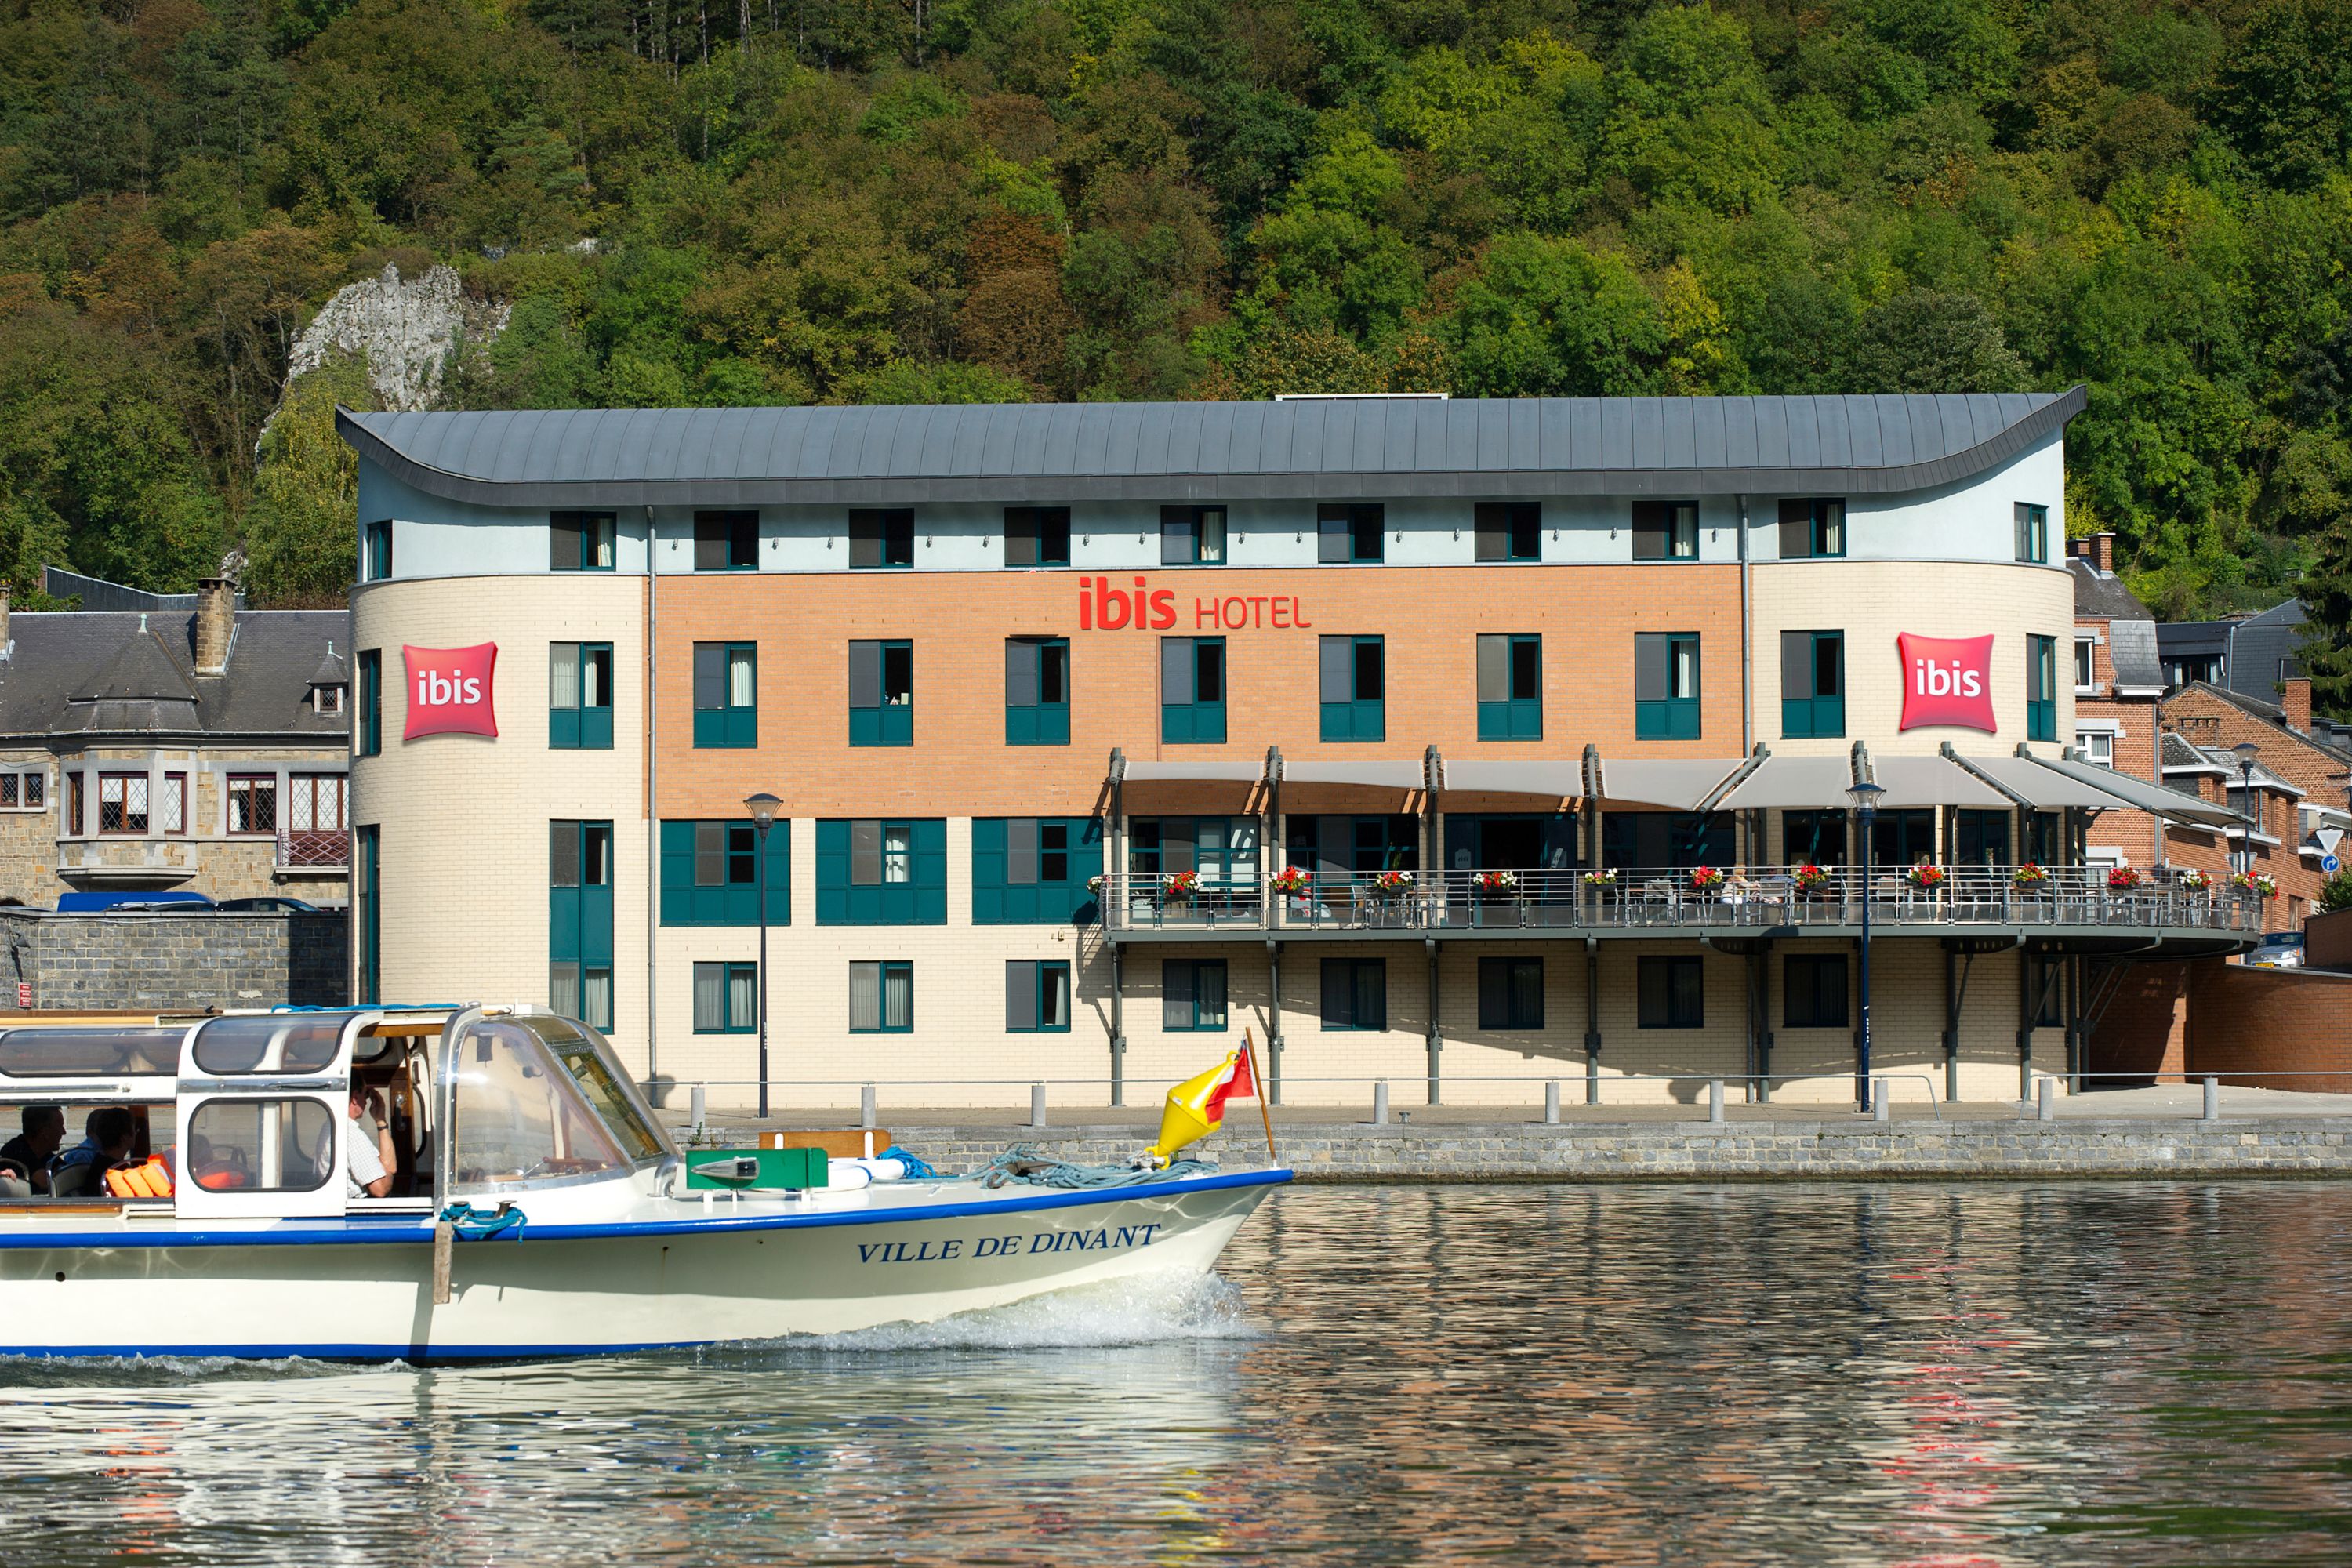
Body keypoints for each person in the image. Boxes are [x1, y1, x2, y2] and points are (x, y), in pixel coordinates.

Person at [52, 1108, 136, 1197]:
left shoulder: (100, 1163)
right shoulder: (115, 1172)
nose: (136, 1134)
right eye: (135, 1130)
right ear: (125, 1136)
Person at [0, 1105, 64, 1196]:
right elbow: (46, 1182)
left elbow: (67, 1173)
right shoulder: (16, 1149)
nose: (64, 1132)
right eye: (60, 1126)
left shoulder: (45, 1154)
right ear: (45, 1132)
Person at [347, 1083, 395, 1199]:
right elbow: (381, 1189)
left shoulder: (332, 1126)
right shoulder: (352, 1135)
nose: (366, 1101)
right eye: (366, 1094)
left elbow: (390, 1167)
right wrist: (387, 1172)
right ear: (355, 1098)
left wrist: (380, 1120)